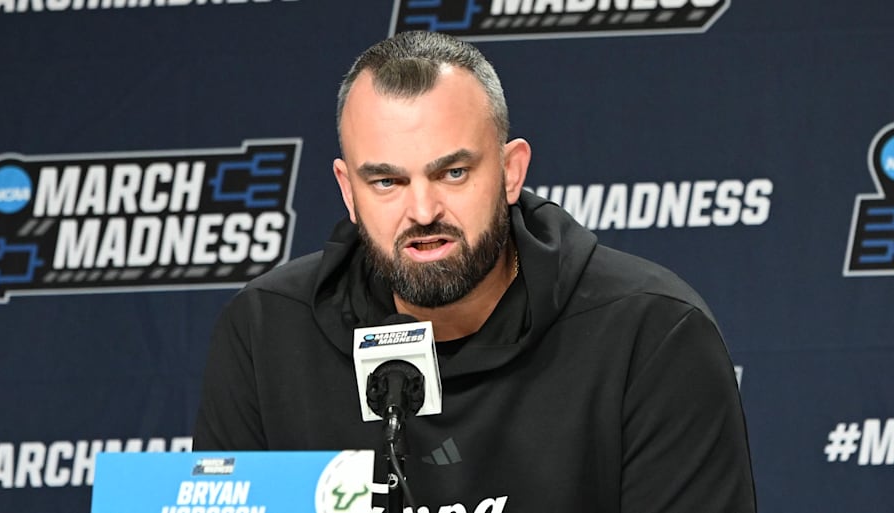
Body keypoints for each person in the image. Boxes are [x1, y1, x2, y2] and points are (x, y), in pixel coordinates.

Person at [193, 30, 757, 512]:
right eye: (387, 181)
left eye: (453, 173)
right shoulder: (265, 331)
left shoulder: (650, 332)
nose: (422, 211)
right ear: (348, 190)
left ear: (511, 171)